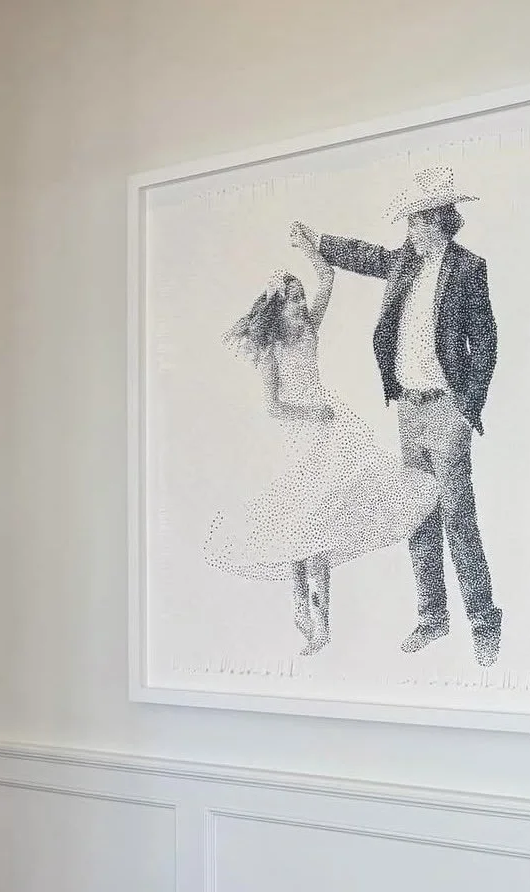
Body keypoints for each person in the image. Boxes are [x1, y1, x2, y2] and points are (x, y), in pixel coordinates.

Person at [291, 165, 503, 665]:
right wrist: (320, 242)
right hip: (408, 408)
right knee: (418, 515)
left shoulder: (468, 269)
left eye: (416, 221)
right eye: (409, 222)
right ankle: (432, 617)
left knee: (458, 517)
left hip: (447, 410)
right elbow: (368, 256)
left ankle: (483, 623)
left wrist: (467, 410)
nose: (409, 230)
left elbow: (486, 344)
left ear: (437, 220)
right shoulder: (406, 262)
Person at [204, 235, 438, 657]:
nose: (299, 304)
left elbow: (327, 278)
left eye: (300, 297)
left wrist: (308, 246)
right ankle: (302, 612)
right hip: (293, 439)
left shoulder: (310, 329)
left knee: (320, 531)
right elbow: (273, 406)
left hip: (326, 437)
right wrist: (311, 413)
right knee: (294, 534)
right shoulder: (271, 349)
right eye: (291, 300)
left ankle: (322, 625)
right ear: (276, 308)